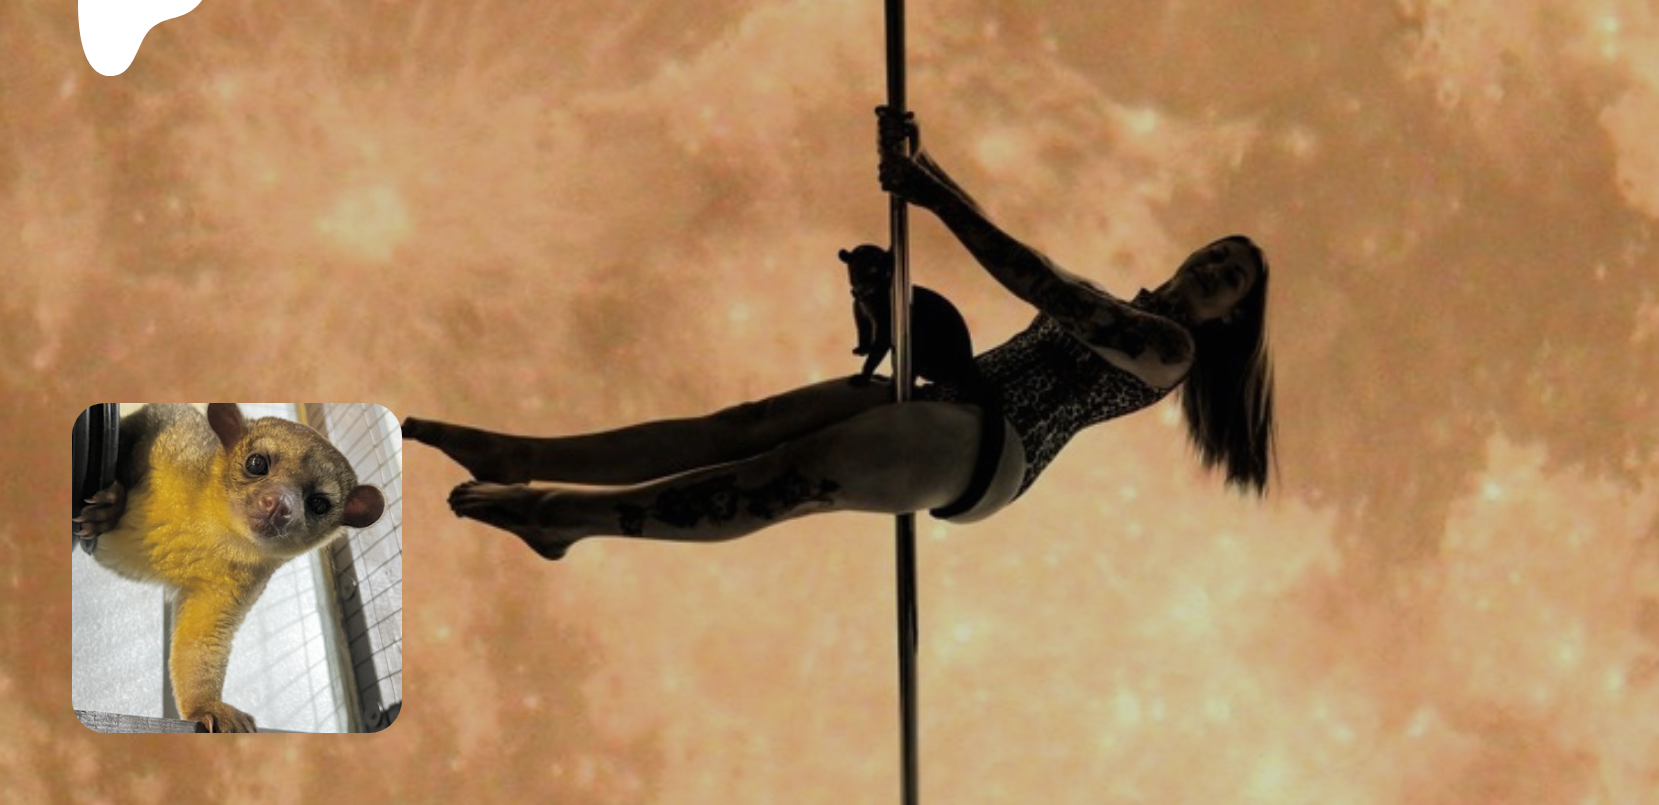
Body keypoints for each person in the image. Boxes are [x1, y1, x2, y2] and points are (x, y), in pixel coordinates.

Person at [405, 109, 1275, 557]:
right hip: (951, 397)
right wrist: (922, 168)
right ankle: (521, 455)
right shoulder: (1129, 310)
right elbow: (1038, 272)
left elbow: (1038, 277)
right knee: (740, 426)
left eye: (1231, 275)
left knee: (782, 477)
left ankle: (563, 517)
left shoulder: (1170, 349)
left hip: (991, 447)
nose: (1213, 266)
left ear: (1230, 313)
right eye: (1218, 251)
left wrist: (932, 189)